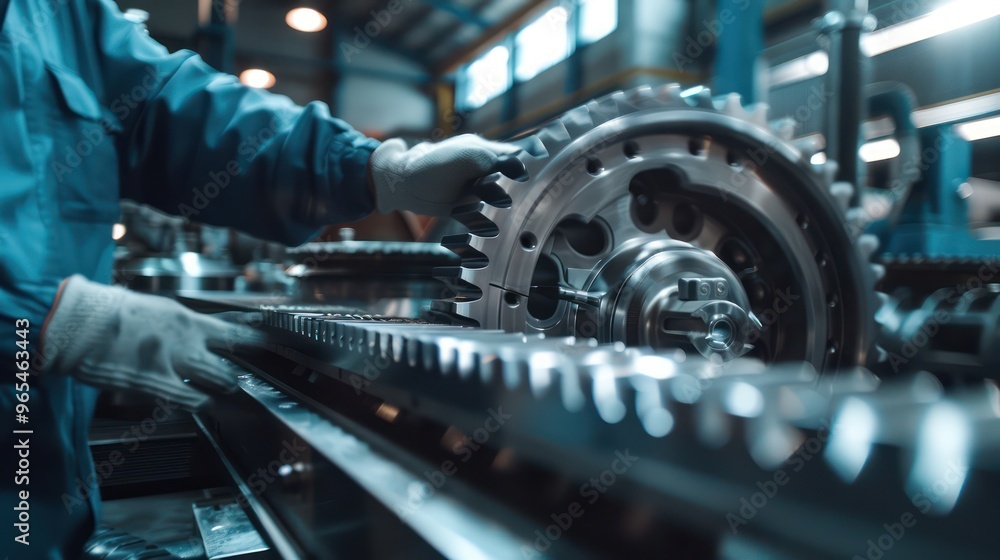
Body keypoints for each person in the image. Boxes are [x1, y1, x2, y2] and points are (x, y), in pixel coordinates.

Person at [0, 0, 518, 556]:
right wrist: (38, 322)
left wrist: (373, 171)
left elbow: (165, 106)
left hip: (42, 485)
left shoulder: (57, 13)